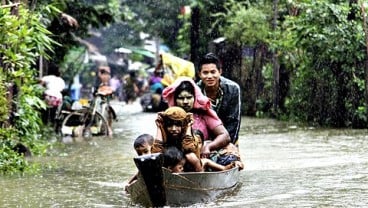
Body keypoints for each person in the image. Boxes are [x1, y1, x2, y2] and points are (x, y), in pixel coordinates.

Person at [161, 77, 230, 159]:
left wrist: (208, 147)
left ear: (195, 97)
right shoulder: (168, 116)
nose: (186, 102)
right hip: (176, 157)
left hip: (202, 154)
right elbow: (161, 141)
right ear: (175, 99)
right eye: (181, 98)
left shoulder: (204, 113)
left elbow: (225, 135)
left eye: (189, 97)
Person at [197, 53, 242, 145]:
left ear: (220, 72)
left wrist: (228, 144)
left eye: (213, 72)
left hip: (228, 137)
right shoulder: (196, 90)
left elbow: (234, 121)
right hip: (203, 139)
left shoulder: (233, 88)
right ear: (199, 74)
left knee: (232, 158)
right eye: (205, 73)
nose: (209, 76)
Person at [152, 106, 203, 172]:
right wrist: (159, 127)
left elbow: (188, 147)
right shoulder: (162, 137)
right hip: (167, 172)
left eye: (178, 125)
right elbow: (155, 154)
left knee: (190, 156)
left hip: (188, 172)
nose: (173, 129)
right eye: (170, 125)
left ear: (183, 126)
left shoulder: (191, 139)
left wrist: (188, 126)